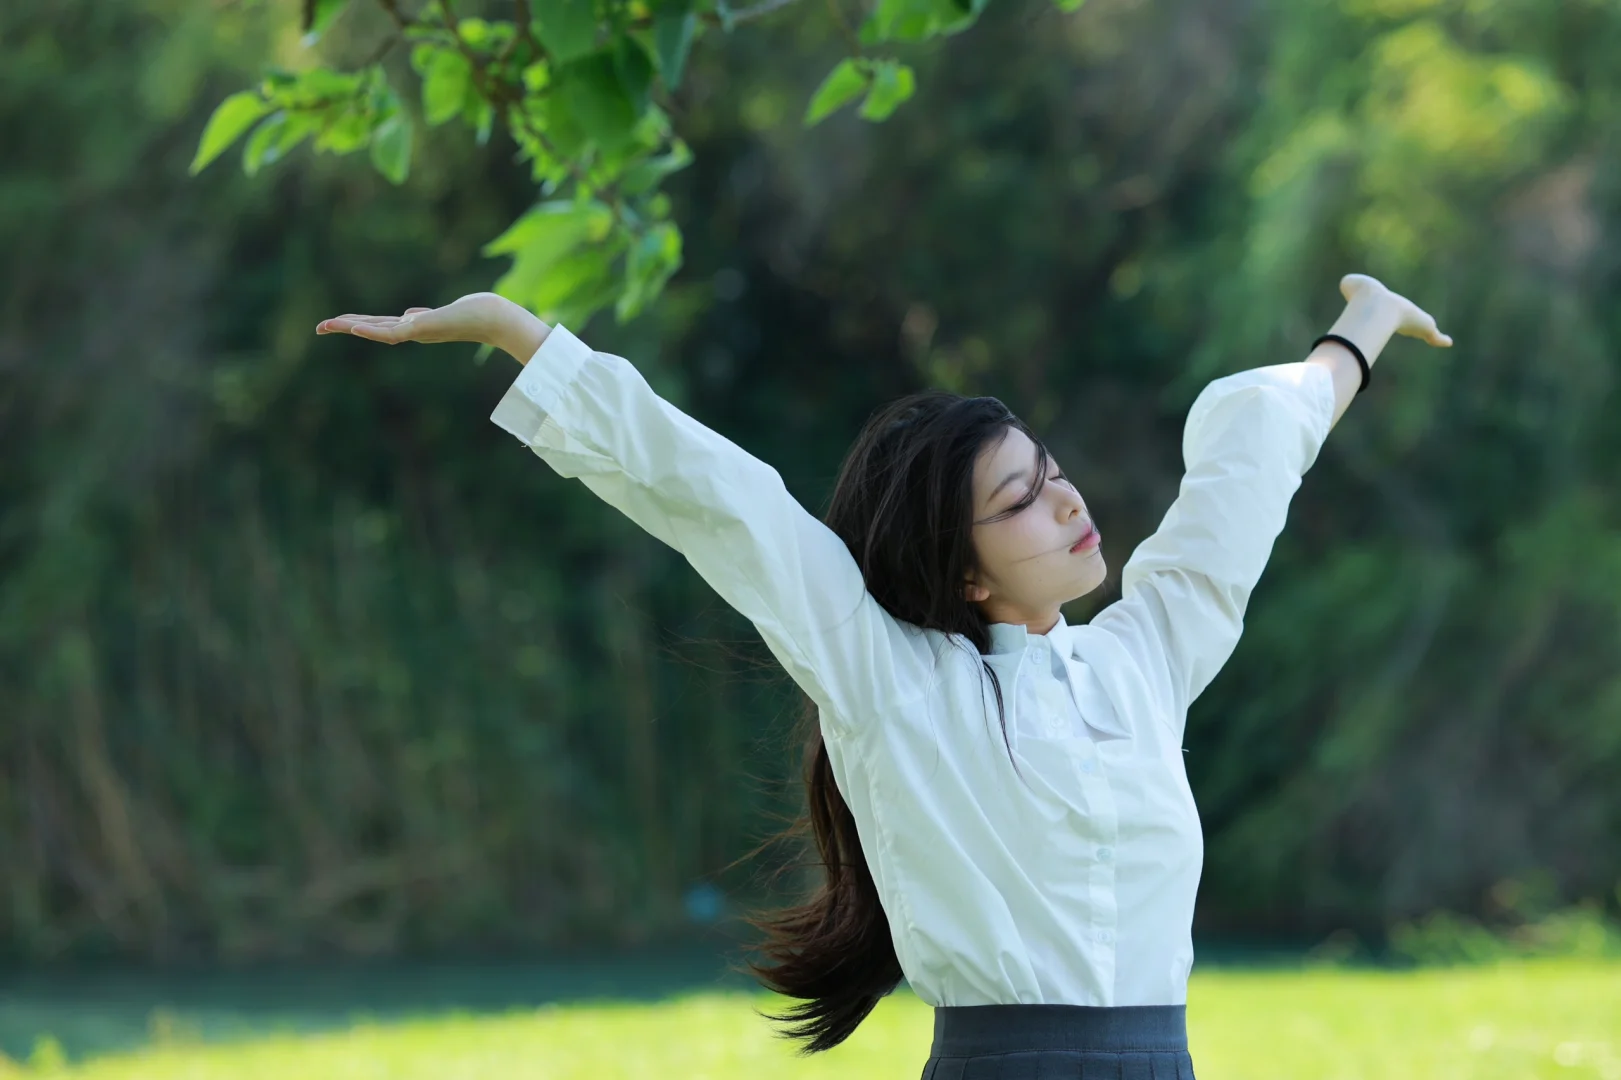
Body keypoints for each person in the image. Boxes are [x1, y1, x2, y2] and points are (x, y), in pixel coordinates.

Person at [316, 273, 1451, 1078]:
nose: (1067, 503)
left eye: (1052, 475)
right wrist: (522, 337)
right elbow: (731, 508)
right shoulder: (895, 687)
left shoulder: (1142, 663)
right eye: (1020, 500)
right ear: (960, 572)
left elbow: (1245, 477)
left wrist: (1353, 337)